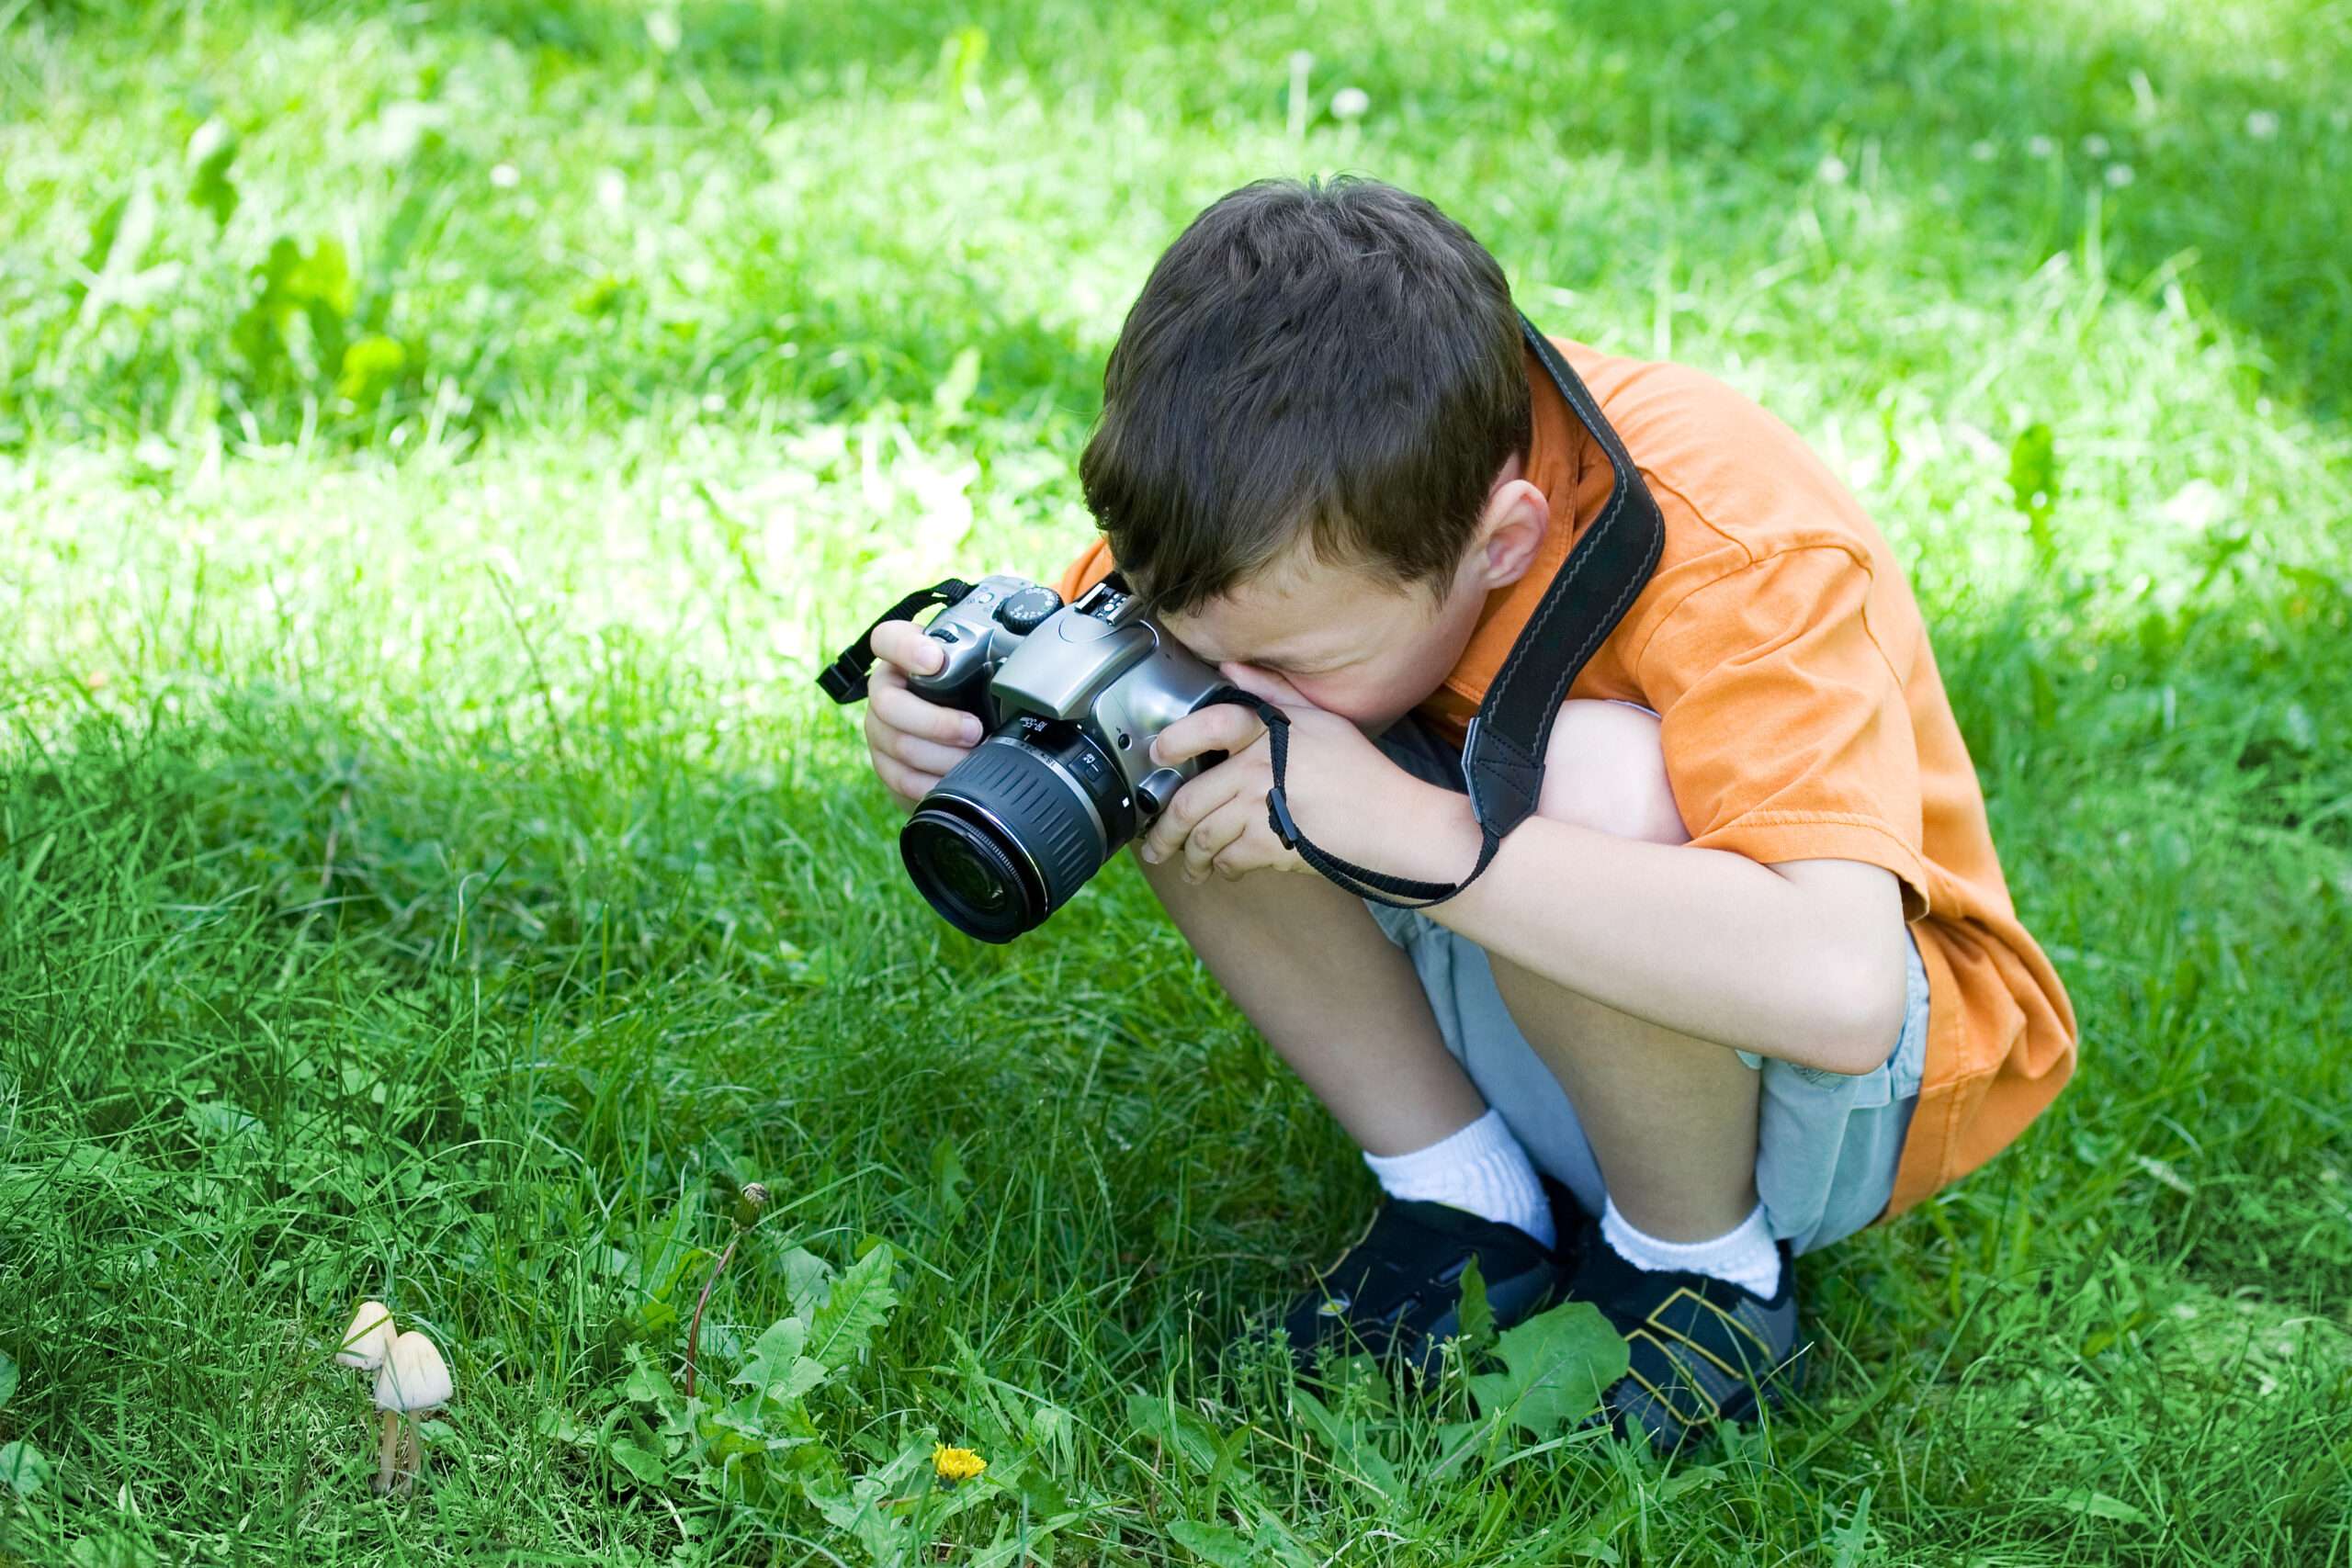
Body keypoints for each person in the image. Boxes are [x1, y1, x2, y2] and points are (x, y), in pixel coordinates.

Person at [854, 176, 2076, 1446]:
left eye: (1305, 662)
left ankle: (1701, 1276)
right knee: (1160, 712)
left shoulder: (1729, 535)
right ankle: (1462, 1207)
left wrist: (1411, 829)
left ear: (1504, 540)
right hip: (1545, 1006)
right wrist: (958, 728)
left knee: (1583, 776)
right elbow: (1176, 674)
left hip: (1813, 1094)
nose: (1259, 682)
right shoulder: (1283, 538)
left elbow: (1839, 987)